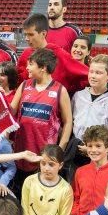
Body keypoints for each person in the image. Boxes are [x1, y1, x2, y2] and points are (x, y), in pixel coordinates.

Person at [9, 48, 72, 191]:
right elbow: (10, 111)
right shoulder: (24, 85)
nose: (27, 67)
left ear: (43, 68)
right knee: (19, 192)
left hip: (45, 156)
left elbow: (68, 122)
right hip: (21, 151)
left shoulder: (59, 90)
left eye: (31, 64)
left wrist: (60, 150)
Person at [16, 13, 88, 95]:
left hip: (54, 104)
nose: (27, 39)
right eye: (25, 34)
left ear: (43, 33)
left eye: (31, 34)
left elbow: (85, 74)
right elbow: (17, 81)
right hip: (29, 104)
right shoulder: (25, 54)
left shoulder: (59, 54)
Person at [71, 54, 108, 163]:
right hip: (75, 149)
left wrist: (95, 148)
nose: (93, 76)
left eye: (98, 73)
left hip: (98, 154)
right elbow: (70, 122)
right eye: (91, 72)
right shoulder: (78, 95)